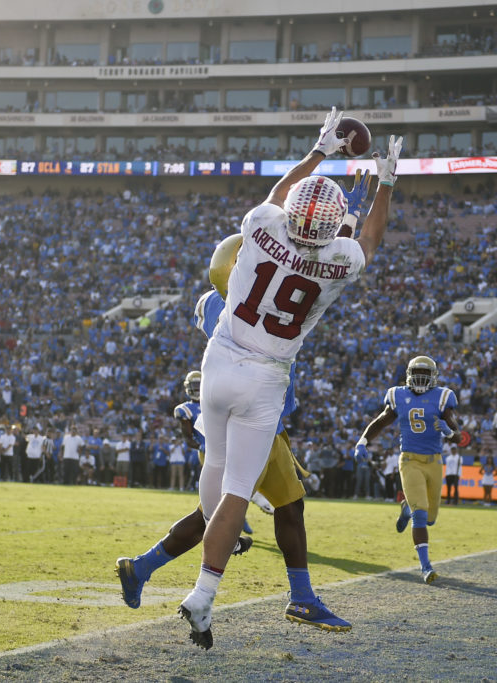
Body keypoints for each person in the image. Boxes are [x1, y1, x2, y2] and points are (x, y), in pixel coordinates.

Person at [178, 122, 396, 649]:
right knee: (237, 491)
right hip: (266, 376)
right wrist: (386, 183)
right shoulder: (338, 261)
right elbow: (368, 239)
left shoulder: (262, 225)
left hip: (220, 360)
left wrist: (319, 151)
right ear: (332, 229)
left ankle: (190, 572)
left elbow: (279, 192)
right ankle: (203, 594)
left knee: (214, 466)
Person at [124, 234, 361, 645]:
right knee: (223, 513)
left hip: (251, 414)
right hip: (254, 416)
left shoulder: (222, 300)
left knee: (282, 507)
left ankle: (147, 570)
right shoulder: (244, 301)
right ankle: (169, 579)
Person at [357, 354, 460, 585]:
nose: (421, 378)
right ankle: (426, 566)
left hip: (434, 461)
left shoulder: (443, 397)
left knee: (430, 519)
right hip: (410, 460)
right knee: (421, 514)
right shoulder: (398, 395)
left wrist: (449, 432)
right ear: (408, 375)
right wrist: (362, 441)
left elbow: (459, 436)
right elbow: (382, 420)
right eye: (417, 373)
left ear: (433, 376)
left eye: (425, 374)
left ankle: (406, 510)